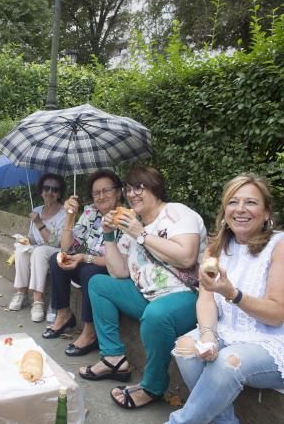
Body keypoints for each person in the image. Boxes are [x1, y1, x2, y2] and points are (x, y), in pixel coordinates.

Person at [137, 174, 284, 424]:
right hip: (229, 334)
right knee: (186, 349)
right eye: (233, 201)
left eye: (251, 202)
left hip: (271, 343)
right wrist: (207, 335)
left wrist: (233, 294)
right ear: (224, 210)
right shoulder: (218, 247)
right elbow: (205, 300)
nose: (240, 209)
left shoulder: (279, 246)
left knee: (226, 363)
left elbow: (276, 314)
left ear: (267, 213)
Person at [80, 166, 206, 404]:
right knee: (98, 283)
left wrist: (141, 234)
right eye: (129, 189)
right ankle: (113, 357)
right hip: (146, 295)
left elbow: (187, 257)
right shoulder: (131, 224)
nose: (133, 194)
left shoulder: (176, 213)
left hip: (185, 297)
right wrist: (108, 234)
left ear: (155, 188)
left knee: (156, 315)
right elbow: (118, 272)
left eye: (140, 187)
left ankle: (152, 386)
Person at [42, 170, 123, 357]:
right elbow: (67, 247)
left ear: (118, 192)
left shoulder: (125, 217)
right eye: (96, 193)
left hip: (111, 270)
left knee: (90, 272)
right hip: (85, 262)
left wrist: (84, 258)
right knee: (57, 260)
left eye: (106, 191)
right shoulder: (90, 212)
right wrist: (70, 216)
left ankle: (90, 331)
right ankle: (64, 315)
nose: (101, 196)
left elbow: (119, 262)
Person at [8, 173, 67, 323]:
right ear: (41, 191)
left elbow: (57, 243)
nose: (50, 192)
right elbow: (32, 237)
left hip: (56, 252)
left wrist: (40, 223)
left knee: (40, 251)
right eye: (46, 188)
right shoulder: (37, 210)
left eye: (54, 189)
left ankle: (38, 300)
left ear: (59, 193)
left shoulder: (64, 214)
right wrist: (25, 240)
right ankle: (21, 293)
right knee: (21, 248)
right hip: (38, 250)